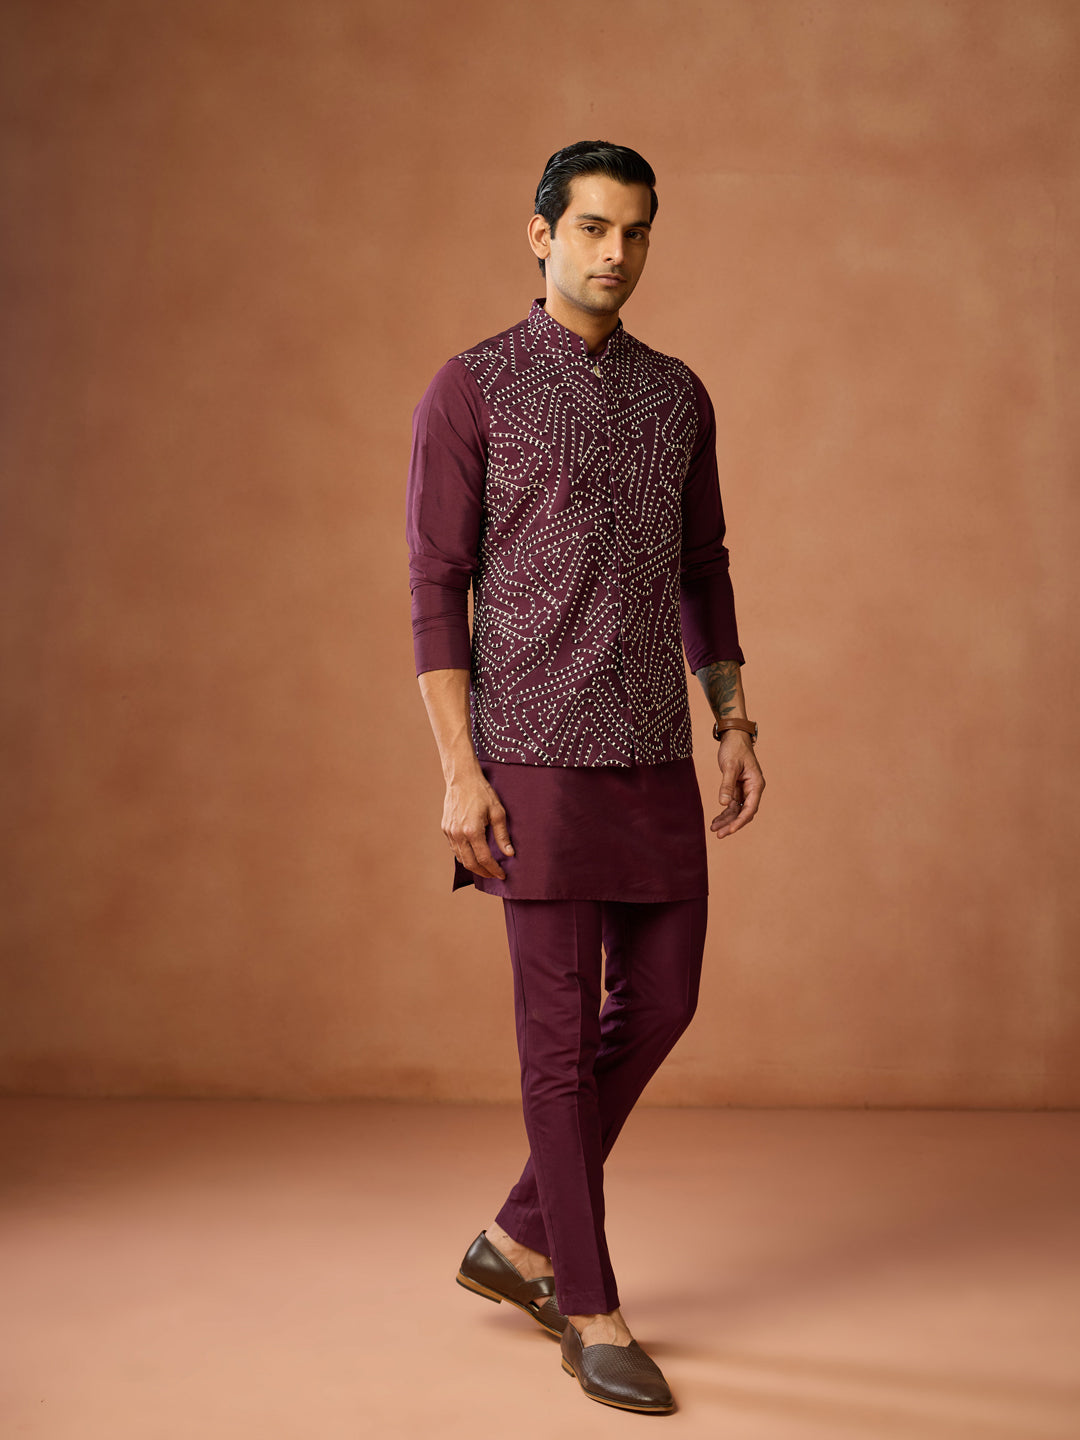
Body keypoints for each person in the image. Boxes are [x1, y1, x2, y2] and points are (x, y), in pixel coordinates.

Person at [405, 140, 764, 1414]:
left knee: (662, 1001)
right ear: (541, 234)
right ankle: (589, 1307)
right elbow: (435, 587)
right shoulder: (473, 388)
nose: (617, 252)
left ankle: (517, 1236)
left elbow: (704, 564)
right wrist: (461, 771)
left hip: (651, 748)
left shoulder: (678, 396)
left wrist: (731, 716)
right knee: (554, 1044)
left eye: (637, 231)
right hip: (532, 757)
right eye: (594, 228)